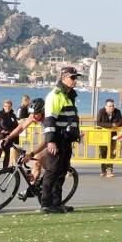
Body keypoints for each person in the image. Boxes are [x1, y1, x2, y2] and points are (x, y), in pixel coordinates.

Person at [39, 67, 82, 213]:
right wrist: (51, 141)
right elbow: (50, 120)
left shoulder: (69, 95)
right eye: (72, 77)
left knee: (62, 171)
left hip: (66, 140)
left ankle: (57, 203)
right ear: (63, 78)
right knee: (52, 171)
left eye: (76, 78)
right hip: (57, 140)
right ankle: (46, 203)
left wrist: (76, 133)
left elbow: (70, 118)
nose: (75, 80)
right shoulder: (55, 95)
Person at [2, 97, 48, 196]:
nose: (34, 117)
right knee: (37, 163)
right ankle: (32, 188)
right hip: (49, 140)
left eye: (36, 114)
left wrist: (31, 154)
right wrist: (9, 137)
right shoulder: (33, 116)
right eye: (32, 113)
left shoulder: (48, 119)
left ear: (43, 111)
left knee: (38, 158)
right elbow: (21, 127)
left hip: (58, 140)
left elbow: (46, 142)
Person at [95, 98, 122, 177]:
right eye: (110, 106)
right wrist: (111, 125)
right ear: (106, 106)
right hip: (103, 135)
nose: (111, 108)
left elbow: (121, 122)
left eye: (113, 106)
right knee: (103, 152)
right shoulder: (101, 111)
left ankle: (109, 171)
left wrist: (115, 125)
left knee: (111, 153)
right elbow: (99, 122)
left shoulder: (117, 112)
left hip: (113, 135)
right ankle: (103, 170)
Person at [0, 99, 18, 170]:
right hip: (1, 136)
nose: (7, 108)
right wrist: (1, 130)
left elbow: (16, 127)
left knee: (7, 153)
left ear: (11, 107)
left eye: (9, 106)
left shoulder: (13, 116)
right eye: (6, 106)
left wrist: (15, 138)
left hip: (9, 137)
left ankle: (4, 168)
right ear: (3, 106)